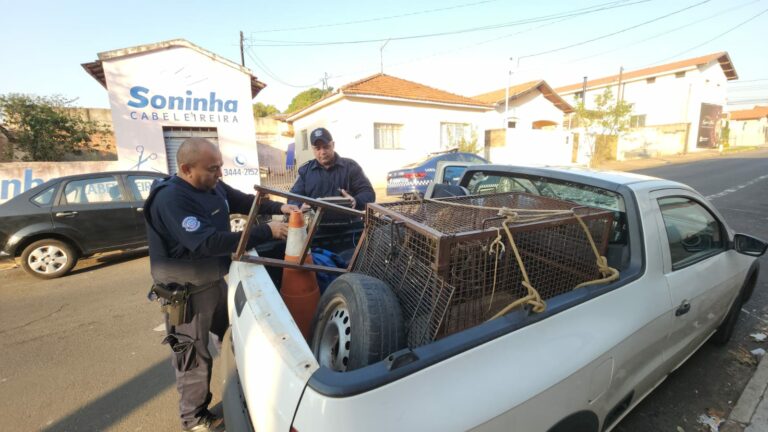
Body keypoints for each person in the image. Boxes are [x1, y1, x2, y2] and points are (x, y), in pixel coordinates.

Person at [144, 137, 297, 432]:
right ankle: (194, 418)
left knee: (234, 333)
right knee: (193, 357)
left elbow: (243, 200)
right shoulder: (171, 199)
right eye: (212, 169)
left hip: (214, 282)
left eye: (220, 167)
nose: (219, 174)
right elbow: (206, 242)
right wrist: (266, 231)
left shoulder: (211, 185)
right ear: (187, 169)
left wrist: (281, 208)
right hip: (186, 294)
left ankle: (241, 384)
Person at [289, 127, 375, 214]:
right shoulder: (305, 171)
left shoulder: (351, 167)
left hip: (350, 225)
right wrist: (300, 206)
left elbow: (369, 194)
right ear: (313, 149)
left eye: (326, 147)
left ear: (333, 145)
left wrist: (356, 201)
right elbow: (292, 198)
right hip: (316, 226)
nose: (322, 152)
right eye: (318, 148)